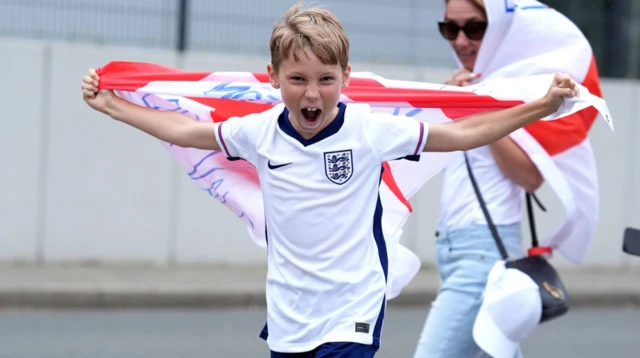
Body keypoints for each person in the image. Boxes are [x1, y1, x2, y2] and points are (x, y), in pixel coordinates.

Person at [81, 2, 580, 357]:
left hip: (352, 316)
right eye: (298, 79)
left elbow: (462, 133)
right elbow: (186, 132)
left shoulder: (369, 129)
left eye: (325, 79)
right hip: (288, 320)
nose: (312, 93)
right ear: (273, 78)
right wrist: (114, 107)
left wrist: (539, 106)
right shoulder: (257, 132)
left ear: (346, 77)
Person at [413, 0, 603, 357]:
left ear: (499, 27)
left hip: (485, 254)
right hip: (454, 250)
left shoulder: (513, 90)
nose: (461, 41)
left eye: (474, 28)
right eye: (449, 29)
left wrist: (480, 109)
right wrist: (452, 103)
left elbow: (530, 177)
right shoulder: (475, 87)